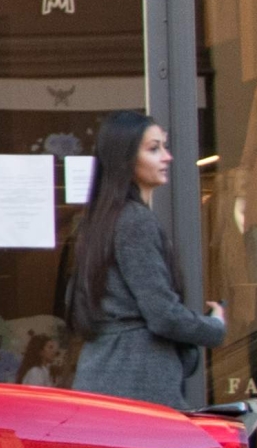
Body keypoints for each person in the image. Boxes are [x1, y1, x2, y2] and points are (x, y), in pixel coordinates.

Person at [65, 109, 226, 411]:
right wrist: (213, 327)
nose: (167, 157)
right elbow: (162, 313)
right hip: (137, 382)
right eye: (154, 149)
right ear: (125, 158)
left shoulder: (96, 220)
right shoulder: (134, 220)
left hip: (100, 372)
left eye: (164, 147)